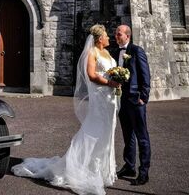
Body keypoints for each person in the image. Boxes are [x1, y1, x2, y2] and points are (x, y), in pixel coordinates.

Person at [12, 24, 120, 195]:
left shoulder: (106, 53)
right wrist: (109, 82)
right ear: (99, 39)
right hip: (99, 99)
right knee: (94, 132)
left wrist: (117, 78)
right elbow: (92, 76)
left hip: (110, 99)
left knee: (107, 132)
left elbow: (110, 72)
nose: (109, 38)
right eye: (106, 36)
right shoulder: (92, 53)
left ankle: (102, 171)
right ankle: (83, 168)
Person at [112, 24, 151, 186]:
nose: (116, 36)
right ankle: (129, 166)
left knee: (142, 138)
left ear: (127, 35)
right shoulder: (115, 52)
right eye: (115, 34)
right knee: (128, 136)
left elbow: (145, 75)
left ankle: (144, 172)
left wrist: (144, 97)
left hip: (136, 100)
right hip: (122, 101)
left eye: (119, 34)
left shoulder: (136, 51)